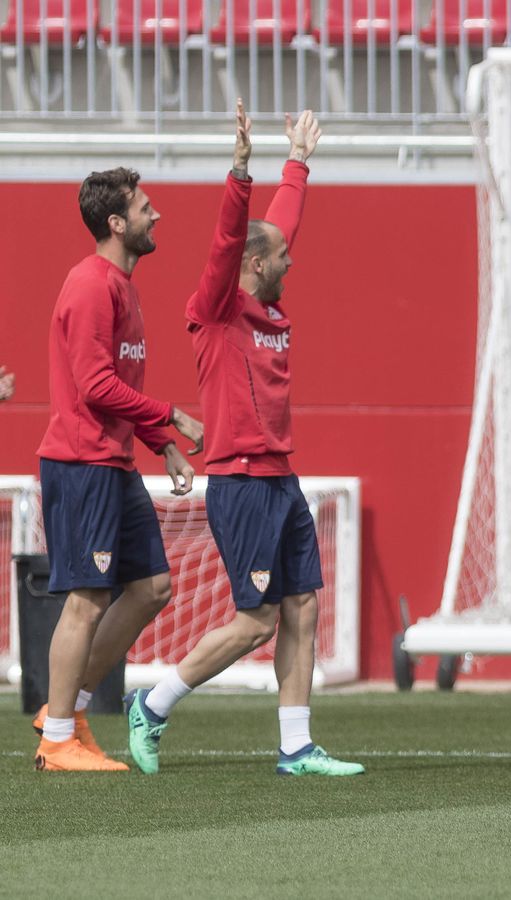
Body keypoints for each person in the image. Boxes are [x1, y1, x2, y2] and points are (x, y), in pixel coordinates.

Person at [122, 105, 360, 777]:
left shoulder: (267, 297)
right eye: (280, 256)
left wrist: (298, 163)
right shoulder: (218, 307)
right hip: (241, 482)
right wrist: (240, 171)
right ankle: (155, 703)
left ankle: (295, 748)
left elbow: (277, 226)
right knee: (256, 622)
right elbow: (234, 240)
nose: (292, 257)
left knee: (303, 606)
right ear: (256, 265)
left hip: (280, 478)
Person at [33, 166, 205, 772]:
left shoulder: (124, 287)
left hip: (115, 462)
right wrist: (173, 417)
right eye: (146, 208)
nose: (156, 216)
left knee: (152, 587)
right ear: (116, 222)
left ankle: (68, 707)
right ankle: (56, 740)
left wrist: (162, 442)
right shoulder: (89, 285)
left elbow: (119, 386)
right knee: (86, 599)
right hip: (81, 465)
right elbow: (96, 386)